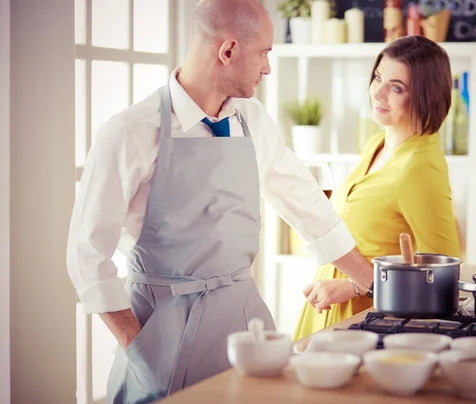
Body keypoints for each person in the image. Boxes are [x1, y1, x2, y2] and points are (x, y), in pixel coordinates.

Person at [65, 0, 374, 402]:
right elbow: (86, 253)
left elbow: (306, 204)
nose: (267, 67)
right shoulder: (131, 132)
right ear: (228, 51)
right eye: (264, 52)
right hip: (162, 333)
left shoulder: (253, 120)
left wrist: (376, 285)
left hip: (244, 328)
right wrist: (138, 347)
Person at [294, 36, 461, 341]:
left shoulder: (419, 168)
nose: (378, 93)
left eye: (396, 88)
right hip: (334, 306)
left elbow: (442, 274)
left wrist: (354, 286)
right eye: (377, 78)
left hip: (369, 319)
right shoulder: (379, 143)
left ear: (425, 96)